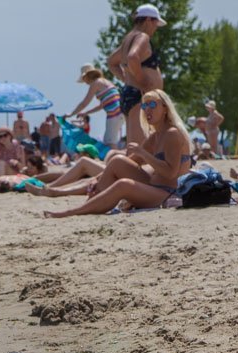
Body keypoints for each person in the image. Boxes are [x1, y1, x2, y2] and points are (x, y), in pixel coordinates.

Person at [40, 90, 191, 217]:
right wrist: (97, 179)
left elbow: (170, 173)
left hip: (168, 193)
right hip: (153, 186)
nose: (147, 110)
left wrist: (144, 154)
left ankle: (74, 211)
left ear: (165, 108)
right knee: (118, 160)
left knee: (123, 185)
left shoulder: (172, 133)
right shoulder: (155, 136)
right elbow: (131, 161)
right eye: (144, 106)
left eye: (152, 105)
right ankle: (91, 202)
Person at [106, 4, 166, 148]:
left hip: (131, 94)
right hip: (140, 97)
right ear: (148, 20)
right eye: (155, 23)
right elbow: (133, 57)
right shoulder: (142, 37)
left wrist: (127, 79)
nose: (155, 28)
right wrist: (142, 81)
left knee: (135, 148)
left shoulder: (129, 39)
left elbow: (111, 62)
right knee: (141, 149)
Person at [71, 66, 124, 148]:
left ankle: (117, 156)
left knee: (109, 143)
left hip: (114, 114)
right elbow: (101, 105)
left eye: (84, 78)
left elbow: (84, 103)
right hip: (121, 112)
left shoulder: (95, 83)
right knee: (111, 141)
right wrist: (86, 113)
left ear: (88, 75)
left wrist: (71, 114)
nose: (84, 82)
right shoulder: (105, 82)